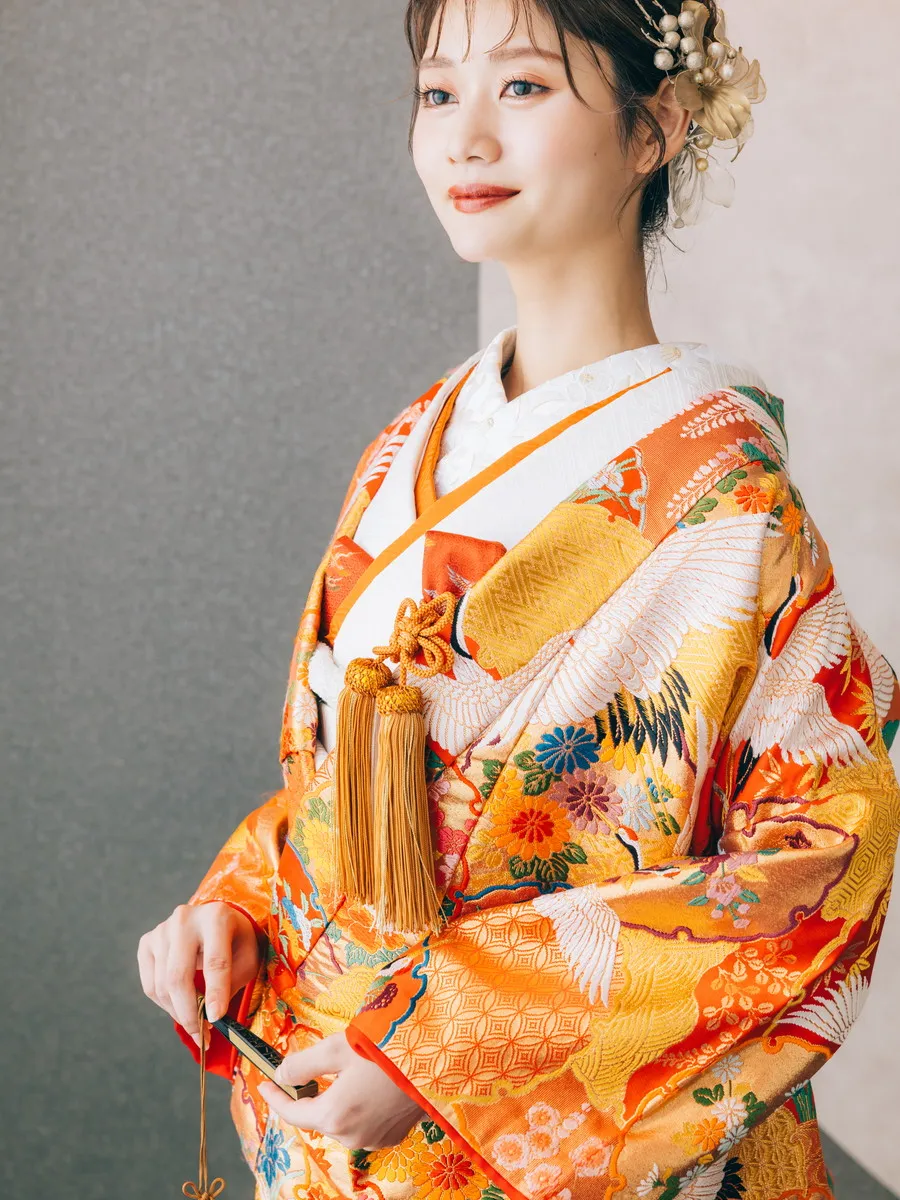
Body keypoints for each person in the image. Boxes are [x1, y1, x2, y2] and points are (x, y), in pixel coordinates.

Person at [138, 1, 900, 1198]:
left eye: (525, 88)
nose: (465, 137)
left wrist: (446, 1046)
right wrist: (238, 912)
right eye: (439, 93)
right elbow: (351, 799)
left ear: (656, 127)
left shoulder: (730, 504)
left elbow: (824, 861)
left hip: (522, 1146)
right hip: (336, 1114)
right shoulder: (410, 445)